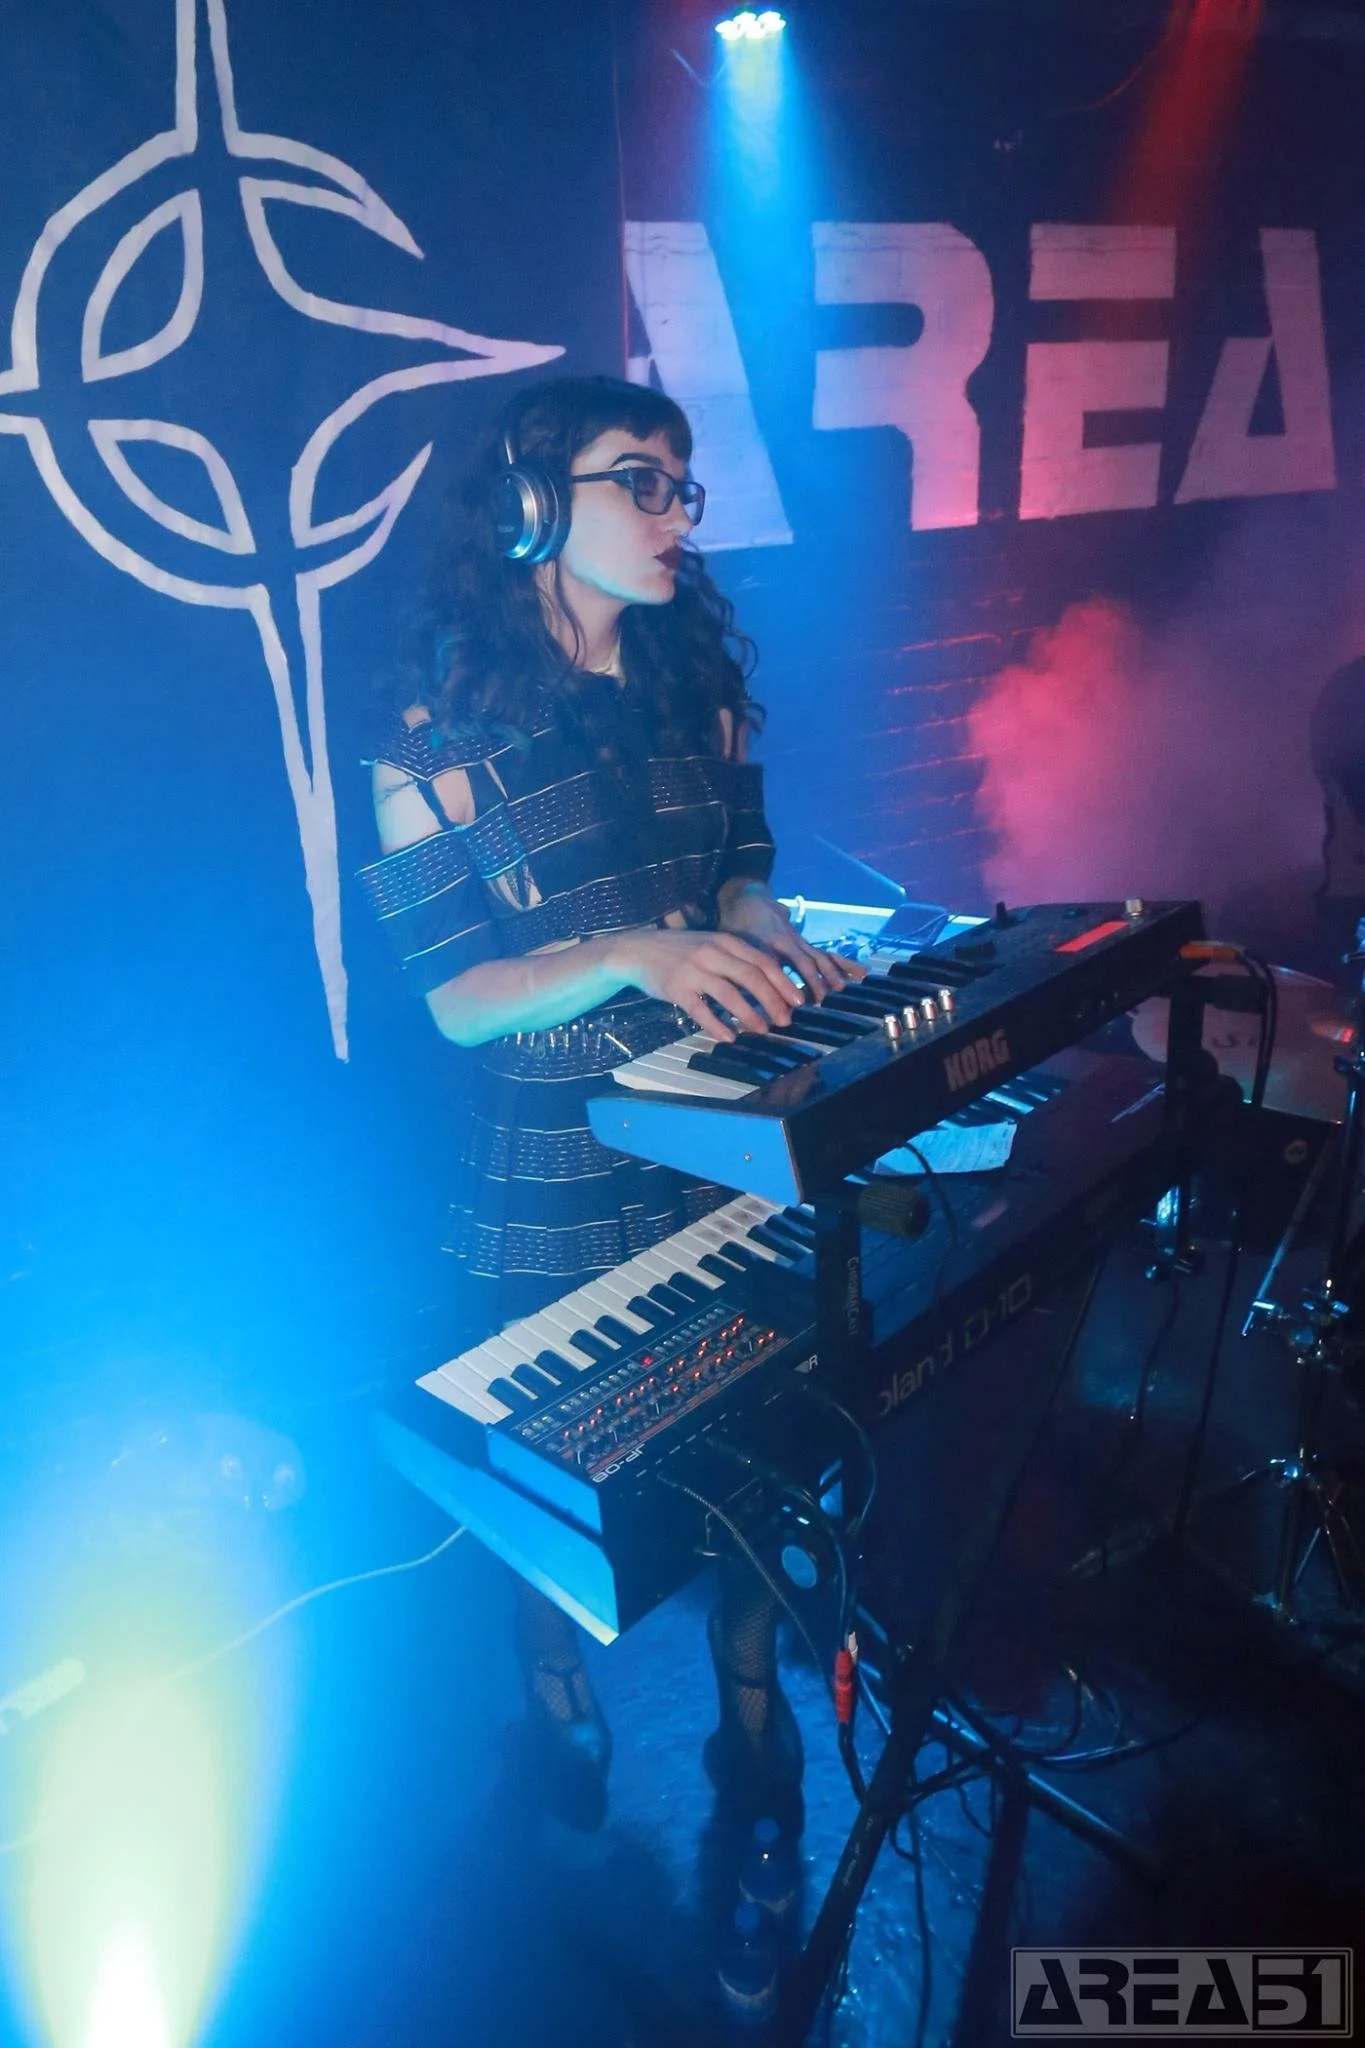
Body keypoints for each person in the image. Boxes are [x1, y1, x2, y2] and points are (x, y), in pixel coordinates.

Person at [360, 375, 862, 1833]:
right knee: (560, 1491)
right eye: (638, 481)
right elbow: (460, 997)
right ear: (531, 508)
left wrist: (763, 931)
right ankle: (555, 1693)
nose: (673, 515)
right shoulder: (428, 737)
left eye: (679, 487)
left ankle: (754, 1738)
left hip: (716, 1139)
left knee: (767, 1467)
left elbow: (739, 870)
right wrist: (637, 952)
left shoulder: (694, 688)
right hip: (551, 1167)